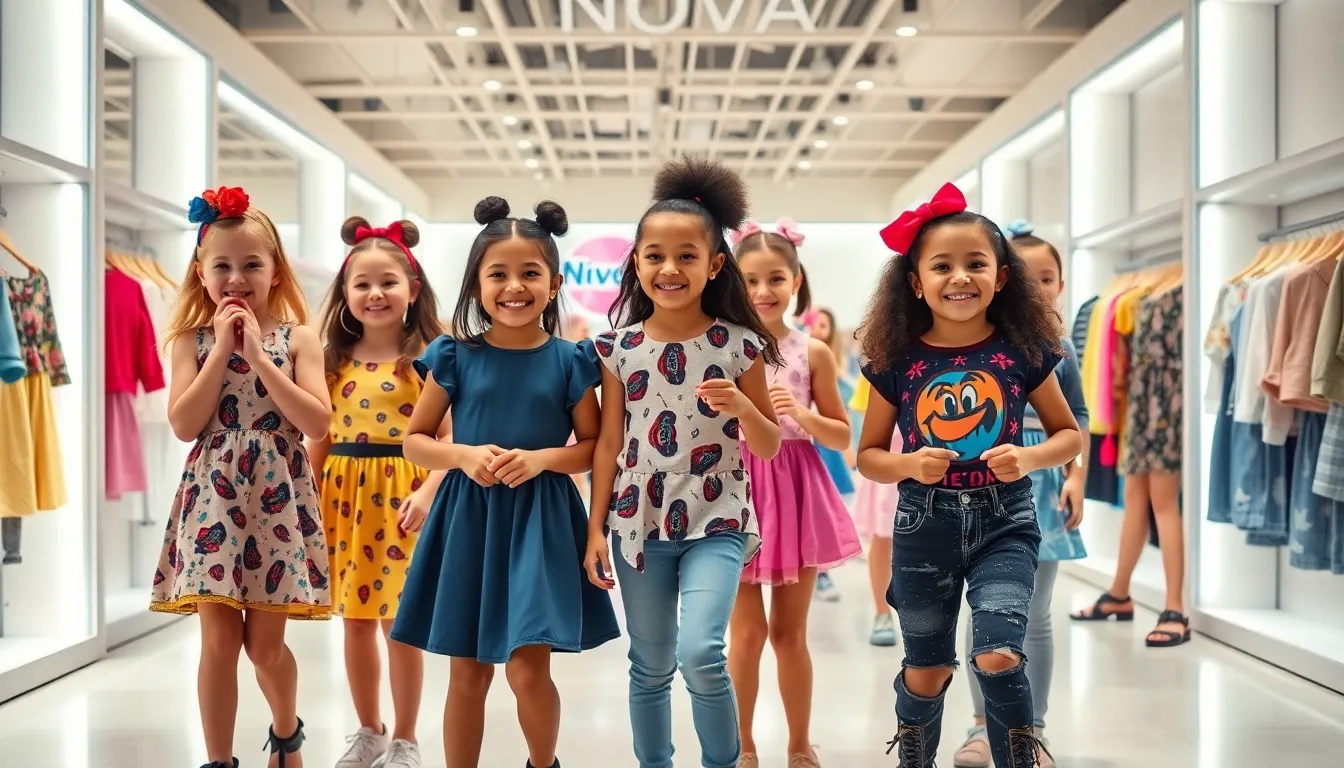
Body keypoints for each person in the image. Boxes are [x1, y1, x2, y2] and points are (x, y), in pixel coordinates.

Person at [855, 183, 1082, 768]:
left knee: (1000, 654)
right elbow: (869, 456)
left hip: (1005, 520)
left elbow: (1068, 433)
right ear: (916, 282)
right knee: (926, 669)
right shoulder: (894, 360)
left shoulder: (1023, 351)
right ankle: (914, 758)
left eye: (976, 263)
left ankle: (1019, 758)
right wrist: (909, 464)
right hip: (923, 526)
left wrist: (1030, 458)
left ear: (1002, 277)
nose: (960, 277)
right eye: (942, 266)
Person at [389, 197, 621, 768]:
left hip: (540, 523)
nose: (514, 286)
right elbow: (415, 440)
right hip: (468, 519)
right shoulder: (453, 356)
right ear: (475, 283)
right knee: (466, 671)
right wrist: (463, 455)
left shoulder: (571, 361)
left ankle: (544, 763)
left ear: (554, 281)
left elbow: (592, 450)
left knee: (526, 668)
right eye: (498, 273)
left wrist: (543, 459)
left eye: (529, 273)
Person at [584, 156, 782, 768]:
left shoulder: (739, 344)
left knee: (701, 651)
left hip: (718, 516)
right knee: (649, 663)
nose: (670, 268)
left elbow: (769, 443)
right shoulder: (618, 348)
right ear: (637, 263)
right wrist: (594, 528)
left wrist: (742, 409)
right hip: (636, 517)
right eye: (655, 256)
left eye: (687, 256)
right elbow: (609, 444)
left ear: (715, 264)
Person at [151, 186, 333, 768]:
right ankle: (218, 760)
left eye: (252, 264)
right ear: (200, 274)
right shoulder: (189, 341)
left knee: (264, 648)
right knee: (218, 645)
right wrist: (217, 357)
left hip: (276, 500)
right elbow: (184, 423)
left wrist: (256, 357)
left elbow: (316, 420)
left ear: (276, 272)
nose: (237, 278)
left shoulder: (298, 338)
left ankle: (286, 733)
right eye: (222, 265)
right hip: (213, 505)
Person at [307, 217, 450, 768]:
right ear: (344, 293)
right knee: (355, 621)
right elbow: (319, 437)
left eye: (387, 281)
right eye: (361, 283)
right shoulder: (329, 360)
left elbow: (449, 437)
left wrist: (428, 492)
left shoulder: (432, 358)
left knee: (401, 623)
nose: (375, 293)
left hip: (404, 500)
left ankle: (407, 737)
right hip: (344, 500)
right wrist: (310, 507)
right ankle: (369, 728)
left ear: (412, 290)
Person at [952, 223, 1090, 768]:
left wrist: (1076, 477)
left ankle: (1031, 730)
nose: (1038, 287)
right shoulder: (976, 340)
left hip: (1045, 478)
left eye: (1048, 278)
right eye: (1028, 278)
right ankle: (984, 725)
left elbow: (1076, 417)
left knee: (1034, 615)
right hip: (979, 482)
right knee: (981, 610)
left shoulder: (1057, 346)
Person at [727, 219, 862, 768]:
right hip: (733, 493)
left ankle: (800, 743)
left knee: (789, 633)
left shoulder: (814, 351)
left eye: (776, 278)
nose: (763, 291)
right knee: (746, 635)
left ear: (796, 280)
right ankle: (742, 744)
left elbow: (843, 434)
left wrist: (801, 415)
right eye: (751, 279)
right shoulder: (721, 344)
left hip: (798, 489)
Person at [803, 307, 855, 602]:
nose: (819, 330)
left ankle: (820, 572)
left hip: (823, 442)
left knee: (823, 507)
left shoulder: (832, 363)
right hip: (803, 441)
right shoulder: (800, 355)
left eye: (825, 325)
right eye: (815, 324)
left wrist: (847, 448)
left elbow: (840, 414)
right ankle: (813, 571)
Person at [847, 375, 902, 647]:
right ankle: (882, 612)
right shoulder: (882, 358)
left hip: (929, 451)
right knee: (882, 537)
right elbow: (861, 412)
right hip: (888, 453)